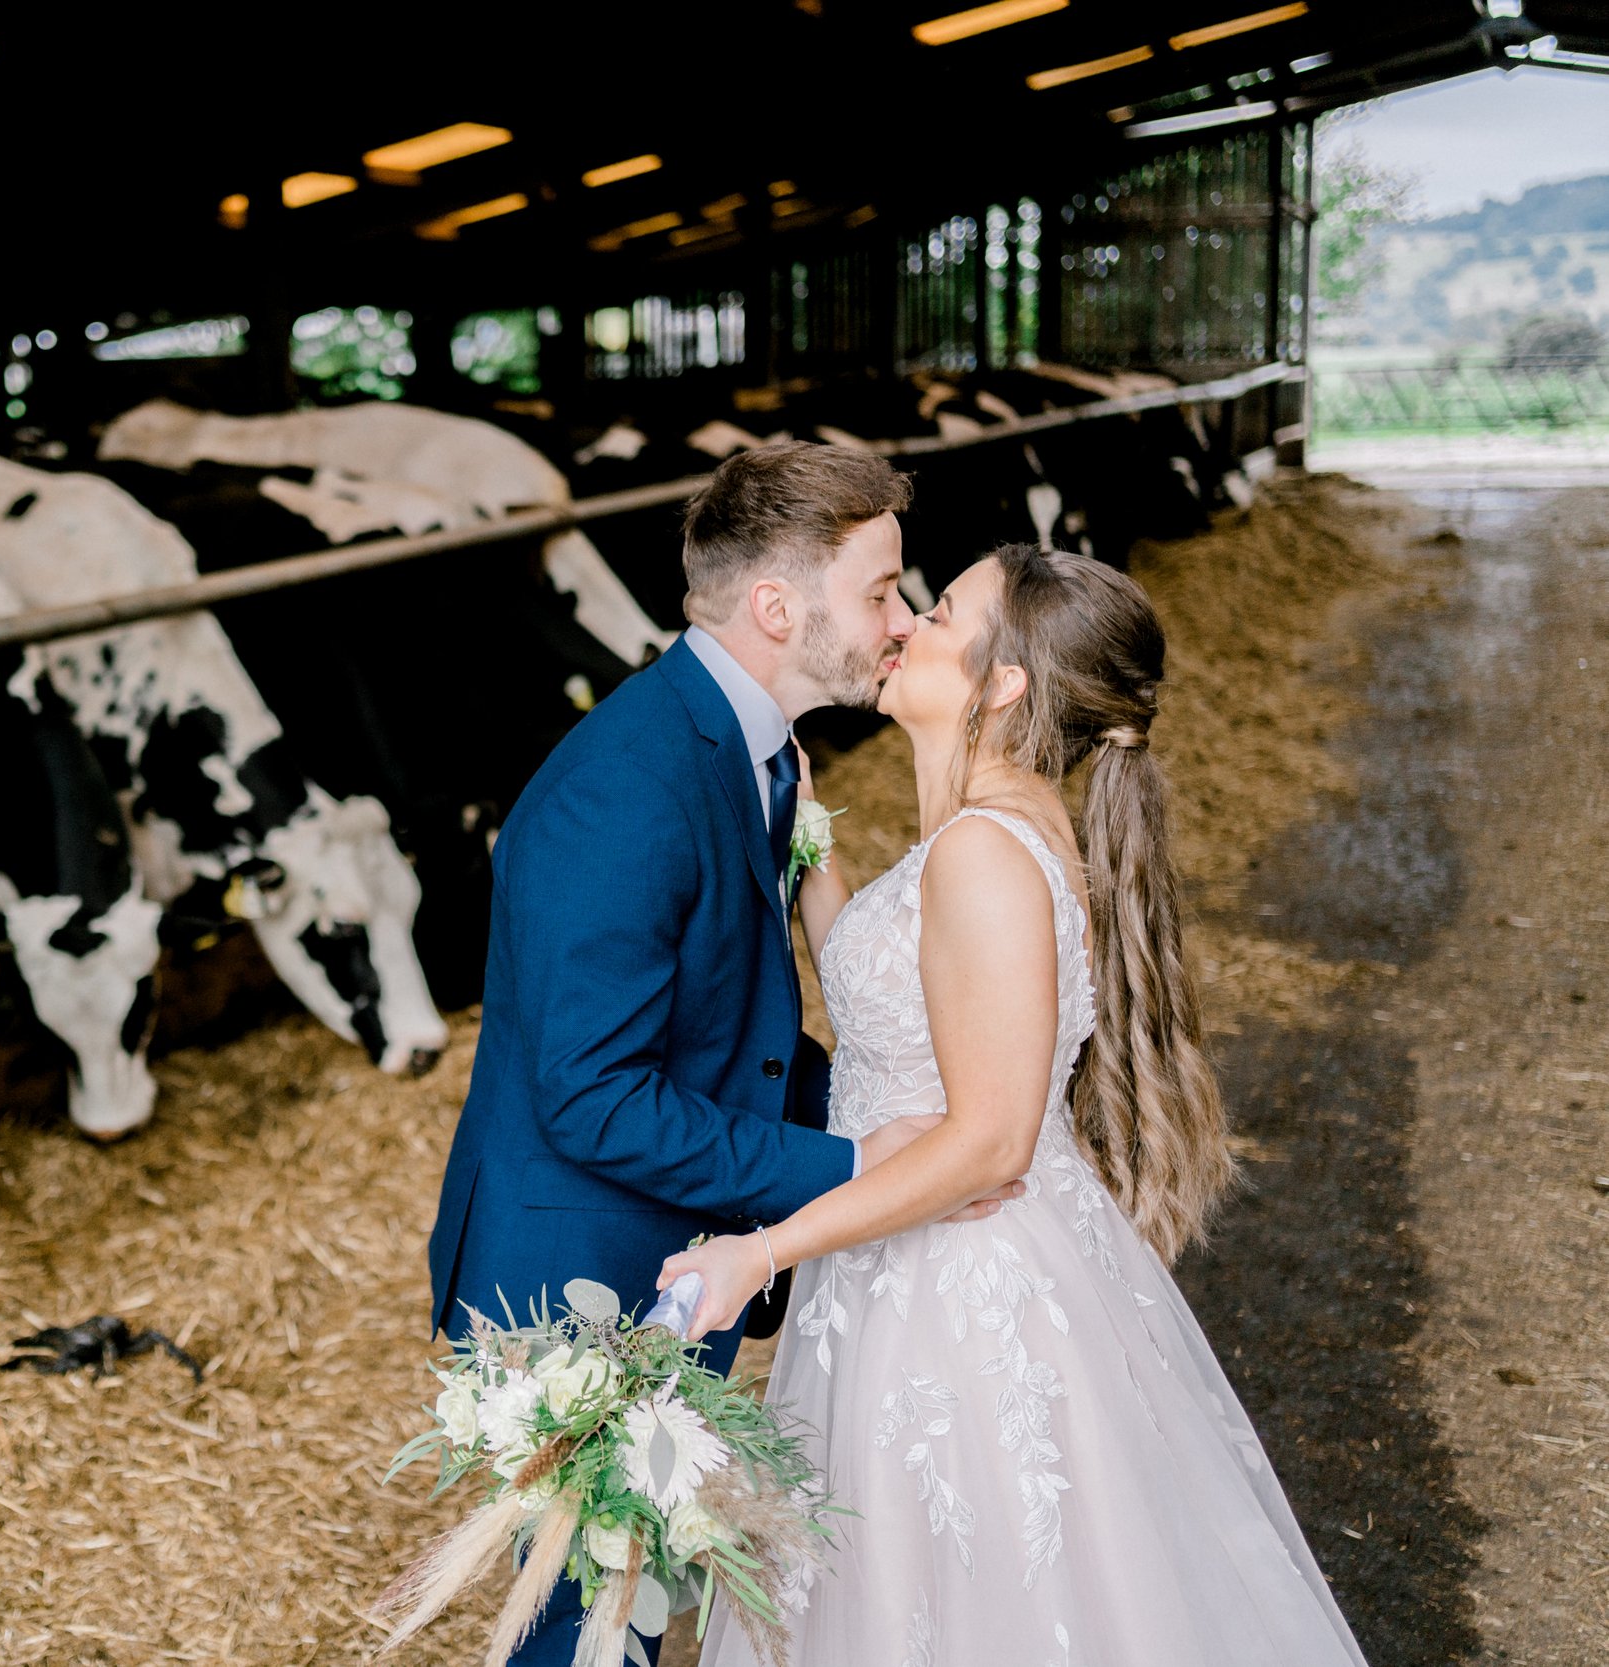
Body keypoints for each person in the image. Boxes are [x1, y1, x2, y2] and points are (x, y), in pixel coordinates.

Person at [660, 543, 1370, 1666]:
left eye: (939, 612)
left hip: (952, 1287)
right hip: (897, 1261)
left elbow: (987, 1141)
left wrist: (766, 1248)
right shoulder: (978, 832)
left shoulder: (984, 852)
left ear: (1001, 684)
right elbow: (894, 1000)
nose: (904, 624)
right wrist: (808, 835)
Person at [423, 442, 1018, 1667]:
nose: (898, 621)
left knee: (631, 1609)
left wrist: (906, 1131)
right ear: (776, 608)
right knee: (582, 1635)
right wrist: (848, 1158)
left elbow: (721, 1035)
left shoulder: (747, 752)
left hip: (668, 1252)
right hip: (575, 1277)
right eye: (881, 591)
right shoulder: (628, 785)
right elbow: (591, 1098)